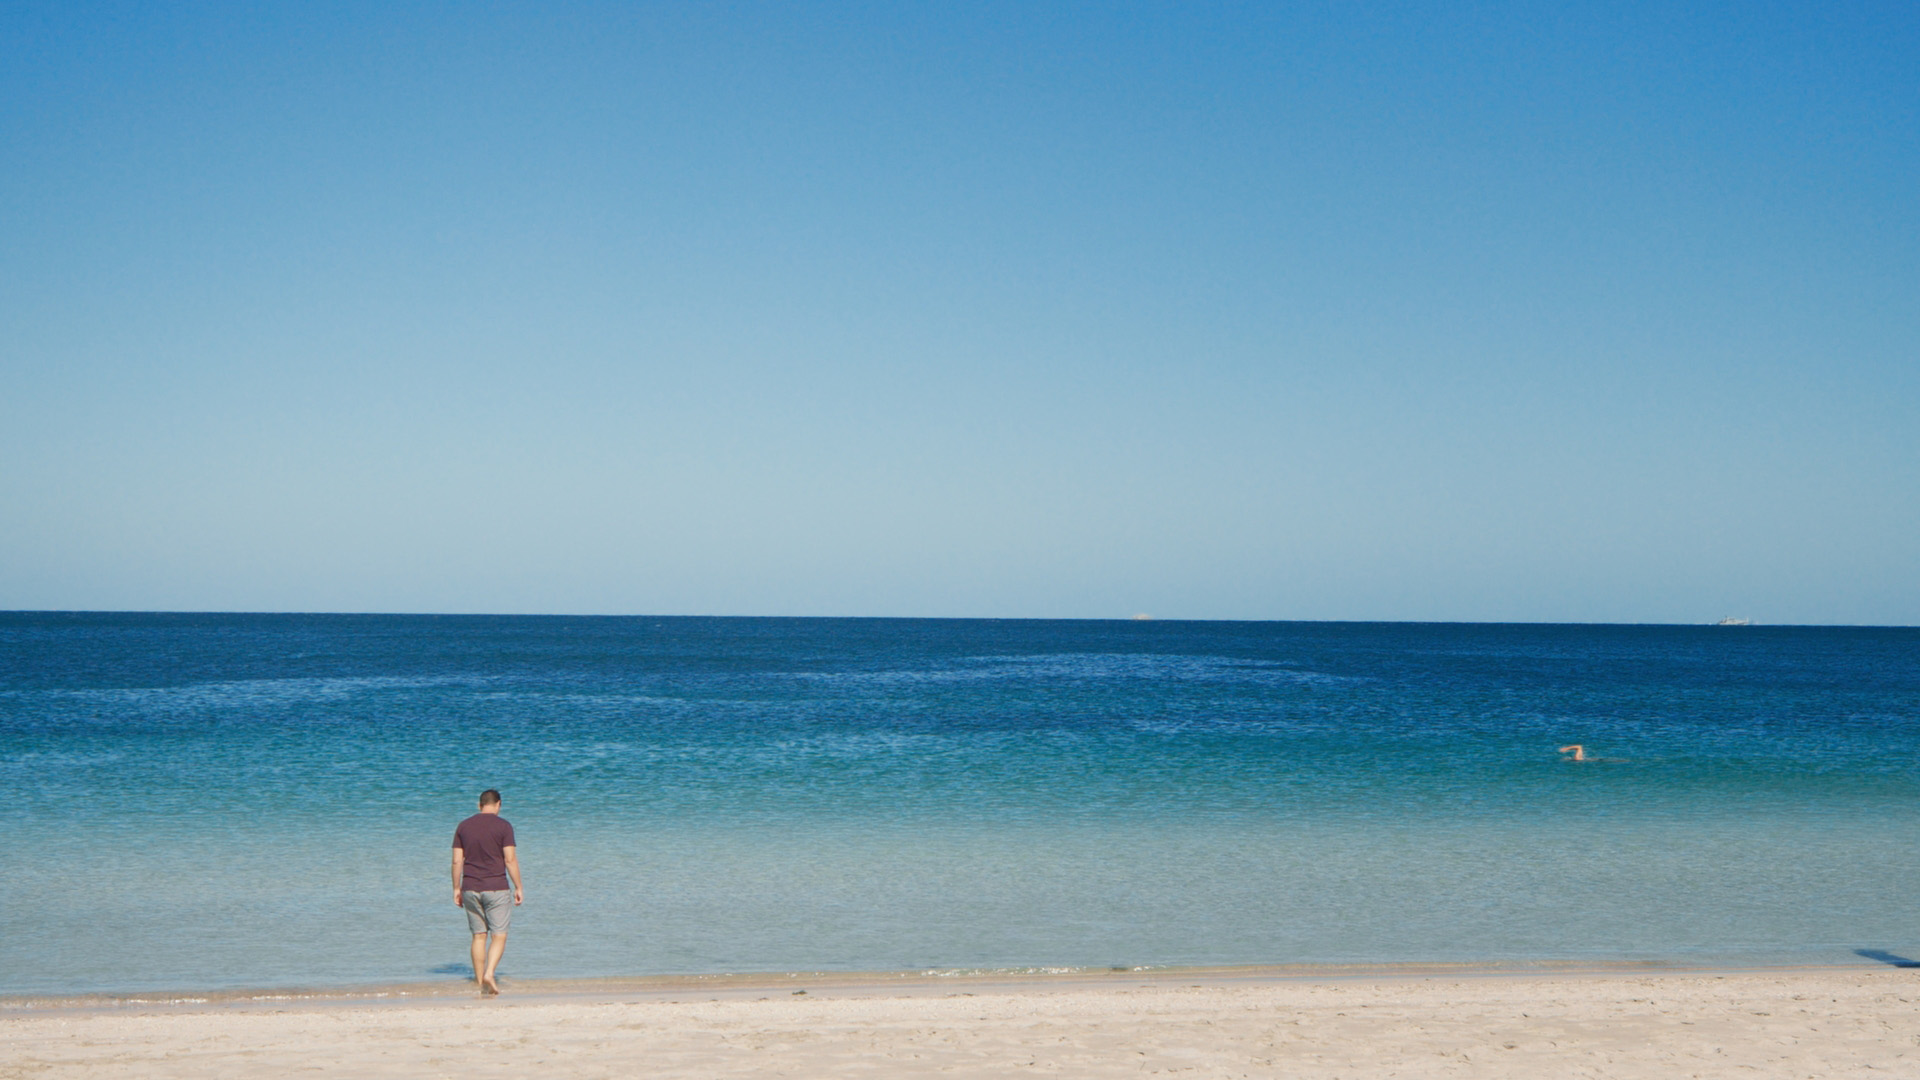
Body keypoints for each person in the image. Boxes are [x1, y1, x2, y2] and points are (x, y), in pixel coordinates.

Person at [452, 789, 523, 995]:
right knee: (499, 935)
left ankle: (479, 981)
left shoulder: (463, 826)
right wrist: (518, 886)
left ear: (479, 805)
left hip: (470, 887)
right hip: (496, 887)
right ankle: (489, 974)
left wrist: (456, 888)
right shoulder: (504, 826)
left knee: (478, 936)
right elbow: (510, 859)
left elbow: (457, 861)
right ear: (499, 804)